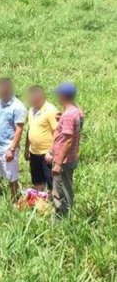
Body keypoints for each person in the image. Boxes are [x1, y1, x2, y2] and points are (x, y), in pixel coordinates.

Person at [46, 82, 84, 216]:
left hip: (64, 160)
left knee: (61, 192)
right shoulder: (76, 111)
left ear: (62, 96)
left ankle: (62, 221)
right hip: (71, 158)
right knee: (66, 187)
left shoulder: (68, 115)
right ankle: (67, 214)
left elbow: (68, 140)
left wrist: (58, 163)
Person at [0, 78, 26, 199]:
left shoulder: (18, 107)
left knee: (11, 176)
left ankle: (15, 200)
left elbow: (19, 130)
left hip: (8, 147)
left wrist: (12, 149)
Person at [24, 86, 58, 192]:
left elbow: (58, 133)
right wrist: (26, 149)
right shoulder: (30, 111)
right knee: (37, 181)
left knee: (51, 181)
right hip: (34, 153)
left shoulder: (50, 110)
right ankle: (40, 203)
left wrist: (51, 152)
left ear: (40, 97)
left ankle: (53, 205)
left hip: (47, 154)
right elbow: (30, 130)